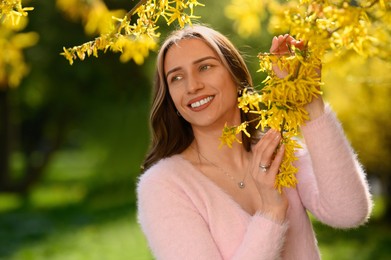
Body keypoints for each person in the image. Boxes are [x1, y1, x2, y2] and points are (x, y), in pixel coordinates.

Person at [137, 24, 372, 259]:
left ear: (235, 74)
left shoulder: (279, 149)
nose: (192, 86)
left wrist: (310, 102)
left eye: (205, 67)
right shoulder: (163, 185)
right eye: (176, 78)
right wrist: (271, 213)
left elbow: (349, 212)